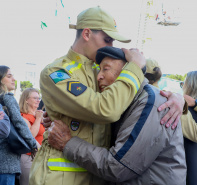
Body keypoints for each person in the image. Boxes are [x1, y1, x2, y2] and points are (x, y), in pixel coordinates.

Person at [29, 6, 185, 185]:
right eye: (107, 39)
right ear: (86, 34)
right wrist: (134, 67)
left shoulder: (101, 70)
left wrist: (176, 98)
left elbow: (146, 88)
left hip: (98, 175)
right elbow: (105, 109)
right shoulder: (57, 71)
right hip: (60, 178)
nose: (112, 47)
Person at [48, 46, 187, 185]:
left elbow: (118, 167)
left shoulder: (151, 104)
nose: (99, 76)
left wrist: (67, 143)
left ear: (128, 70)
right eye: (99, 70)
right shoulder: (125, 103)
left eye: (106, 69)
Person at [0, 65, 37, 185]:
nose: (13, 79)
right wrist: (33, 144)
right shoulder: (8, 98)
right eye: (9, 76)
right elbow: (19, 123)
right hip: (7, 159)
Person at [19, 88, 45, 185]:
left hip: (40, 156)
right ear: (26, 100)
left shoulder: (38, 116)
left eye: (39, 98)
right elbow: (30, 135)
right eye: (35, 98)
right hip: (28, 157)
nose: (38, 100)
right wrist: (38, 119)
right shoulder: (23, 116)